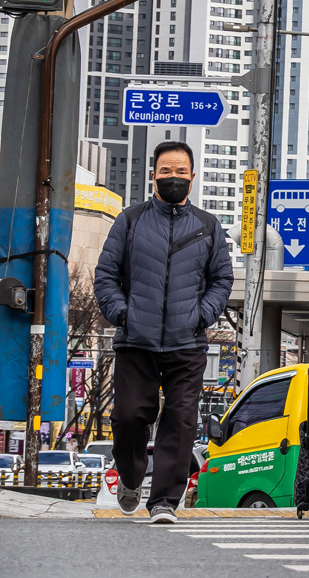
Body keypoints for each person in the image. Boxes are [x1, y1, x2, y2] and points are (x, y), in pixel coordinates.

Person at [93, 140, 235, 523]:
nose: (174, 178)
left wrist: (201, 315)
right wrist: (122, 314)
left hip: (187, 343)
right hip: (135, 339)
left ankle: (164, 503)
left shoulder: (208, 225)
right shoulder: (130, 220)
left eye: (181, 172)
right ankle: (130, 475)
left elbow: (223, 279)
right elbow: (106, 274)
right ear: (154, 175)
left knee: (181, 419)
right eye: (166, 171)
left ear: (192, 177)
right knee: (128, 416)